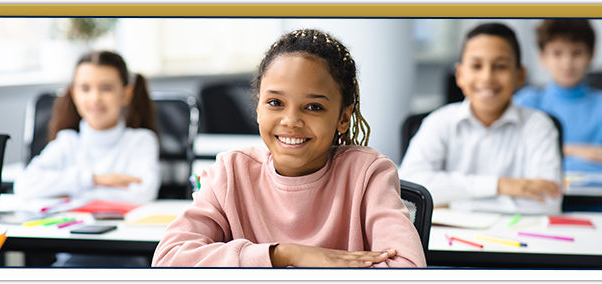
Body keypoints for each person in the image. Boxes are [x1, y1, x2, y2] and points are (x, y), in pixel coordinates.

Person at [152, 29, 425, 268]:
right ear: (258, 107)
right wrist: (284, 255)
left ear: (343, 117)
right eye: (275, 103)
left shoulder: (367, 174)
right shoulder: (230, 173)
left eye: (314, 107)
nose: (291, 121)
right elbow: (168, 259)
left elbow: (407, 266)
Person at [398, 23, 563, 215]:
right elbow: (409, 189)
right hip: (447, 241)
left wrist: (453, 204)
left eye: (500, 66)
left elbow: (548, 202)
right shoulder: (439, 122)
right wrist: (500, 185)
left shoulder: (539, 126)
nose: (487, 77)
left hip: (518, 239)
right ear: (460, 75)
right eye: (476, 66)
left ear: (520, 75)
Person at [13, 50, 161, 205]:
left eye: (106, 88)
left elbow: (143, 193)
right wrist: (94, 179)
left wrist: (66, 191)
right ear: (74, 94)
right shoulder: (67, 142)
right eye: (85, 88)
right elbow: (25, 185)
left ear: (126, 94)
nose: (95, 98)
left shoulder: (141, 141)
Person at [513, 19, 602, 173]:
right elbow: (514, 157)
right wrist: (574, 150)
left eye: (577, 53)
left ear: (591, 55)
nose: (567, 63)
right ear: (542, 57)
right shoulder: (527, 101)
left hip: (599, 196)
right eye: (557, 53)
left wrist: (550, 154)